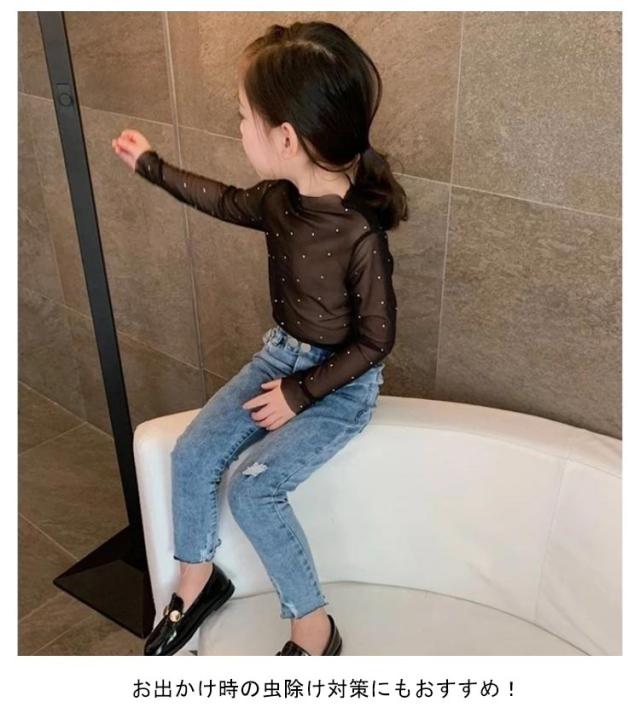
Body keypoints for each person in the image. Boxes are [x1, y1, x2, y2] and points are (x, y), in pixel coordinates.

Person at [112, 20, 408, 656]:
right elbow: (221, 200)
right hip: (282, 357)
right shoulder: (278, 200)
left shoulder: (359, 233)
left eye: (244, 117)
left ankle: (314, 627)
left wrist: (300, 394)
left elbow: (376, 341)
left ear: (286, 137)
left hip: (340, 389)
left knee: (253, 489)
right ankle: (198, 582)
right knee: (192, 454)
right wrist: (151, 166)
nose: (240, 129)